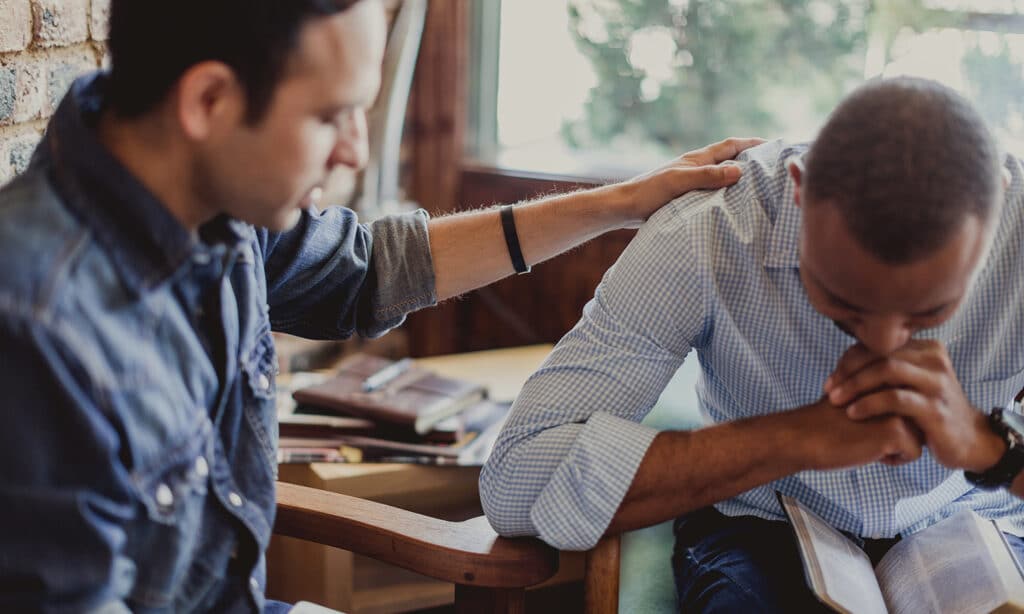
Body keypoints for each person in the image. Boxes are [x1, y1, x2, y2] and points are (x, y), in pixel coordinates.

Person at [0, 0, 760, 611]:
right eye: (331, 116)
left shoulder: (206, 204)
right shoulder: (36, 330)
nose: (357, 153)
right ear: (209, 100)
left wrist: (622, 204)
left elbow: (373, 272)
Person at [480, 76, 1024, 612]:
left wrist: (992, 450)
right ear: (799, 188)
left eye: (929, 311)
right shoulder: (703, 231)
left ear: (998, 210)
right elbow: (513, 484)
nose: (882, 346)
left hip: (976, 519)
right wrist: (798, 437)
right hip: (761, 522)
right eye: (844, 300)